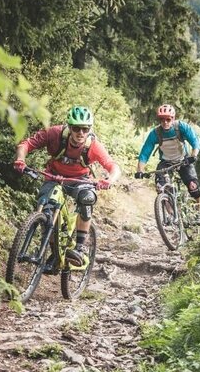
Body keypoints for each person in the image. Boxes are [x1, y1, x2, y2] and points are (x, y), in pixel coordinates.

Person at [13, 106, 121, 266]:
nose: (81, 133)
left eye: (85, 129)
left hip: (80, 181)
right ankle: (54, 253)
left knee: (87, 198)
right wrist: (20, 160)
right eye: (76, 128)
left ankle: (79, 248)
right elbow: (26, 144)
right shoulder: (54, 134)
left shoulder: (93, 145)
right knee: (47, 211)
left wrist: (109, 180)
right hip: (53, 177)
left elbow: (113, 166)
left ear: (90, 129)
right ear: (69, 127)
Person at [135, 104, 200, 222]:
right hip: (166, 162)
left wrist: (194, 155)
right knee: (161, 187)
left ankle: (198, 214)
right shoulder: (156, 133)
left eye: (168, 119)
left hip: (183, 160)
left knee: (193, 187)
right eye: (162, 119)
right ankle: (172, 215)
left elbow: (195, 141)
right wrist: (140, 170)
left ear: (173, 118)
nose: (165, 122)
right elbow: (145, 152)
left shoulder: (181, 127)